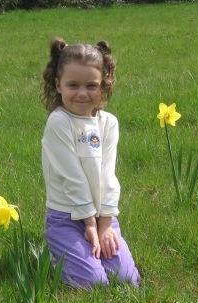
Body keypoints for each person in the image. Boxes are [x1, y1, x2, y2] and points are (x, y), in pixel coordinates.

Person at [40, 37, 140, 289]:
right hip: (66, 217)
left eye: (91, 85)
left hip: (102, 216)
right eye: (73, 85)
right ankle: (55, 257)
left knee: (128, 280)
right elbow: (73, 177)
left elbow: (108, 176)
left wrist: (105, 224)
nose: (82, 93)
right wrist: (89, 224)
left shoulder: (109, 123)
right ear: (58, 85)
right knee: (95, 284)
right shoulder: (59, 122)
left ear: (103, 87)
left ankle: (91, 251)